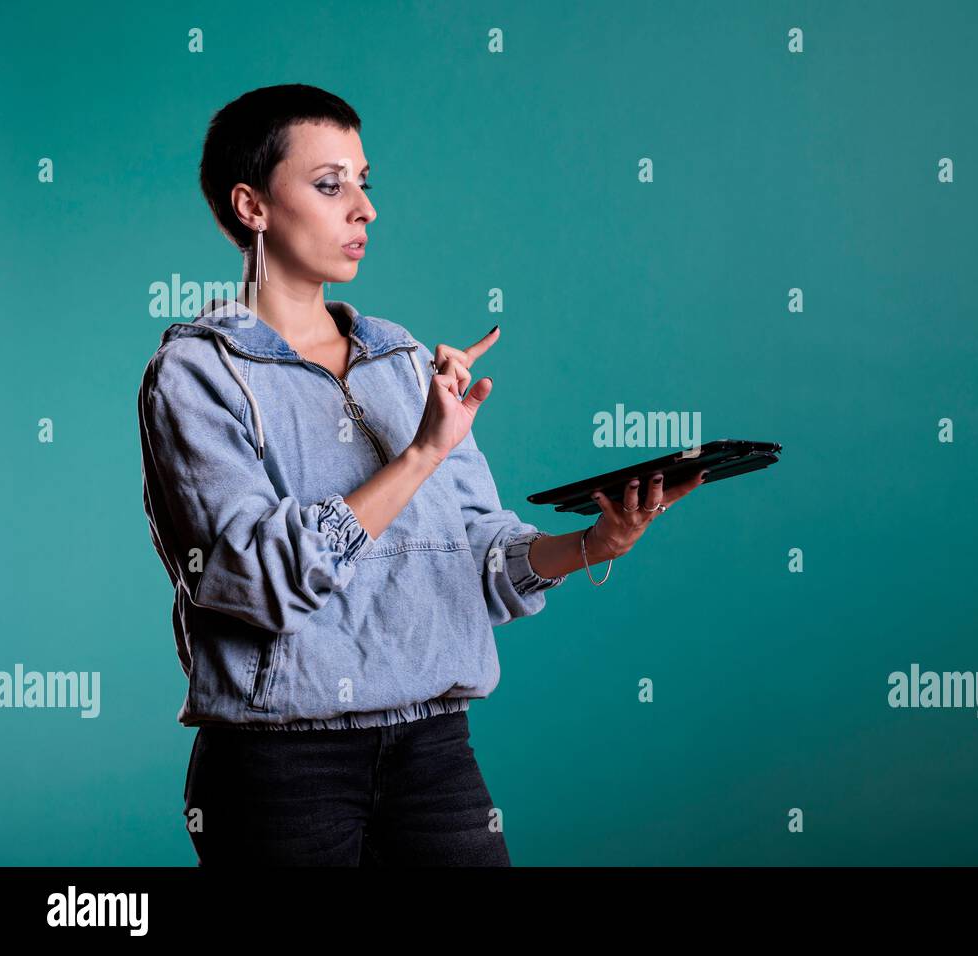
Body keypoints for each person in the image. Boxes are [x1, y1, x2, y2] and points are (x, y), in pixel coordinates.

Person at [137, 83, 707, 866]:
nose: (363, 209)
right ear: (252, 206)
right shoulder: (197, 374)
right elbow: (257, 578)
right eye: (330, 184)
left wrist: (591, 544)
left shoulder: (400, 360)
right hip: (282, 769)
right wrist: (419, 455)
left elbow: (477, 557)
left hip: (435, 755)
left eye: (365, 182)